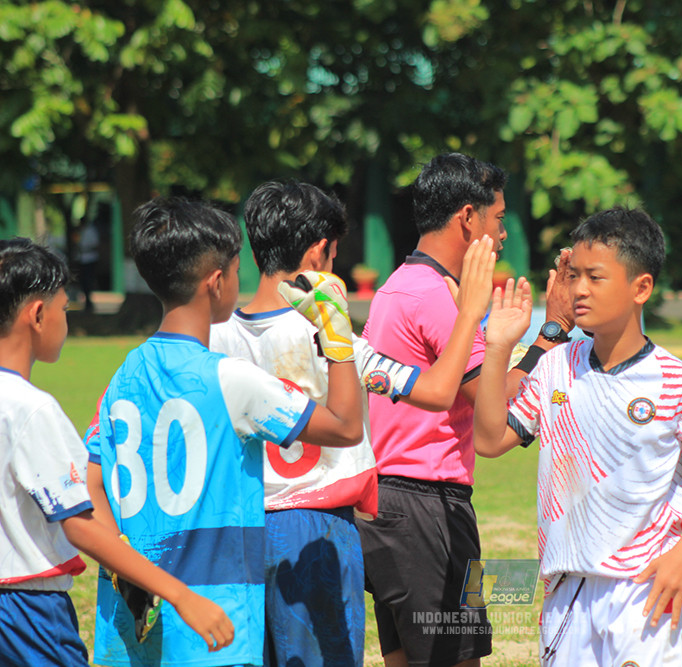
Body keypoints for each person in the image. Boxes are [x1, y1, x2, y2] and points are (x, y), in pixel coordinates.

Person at [209, 180, 498, 667]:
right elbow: (437, 392)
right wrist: (469, 313)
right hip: (317, 530)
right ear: (321, 250)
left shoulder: (215, 339)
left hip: (236, 533)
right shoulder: (335, 334)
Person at [84, 197, 364, 667]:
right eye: (236, 270)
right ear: (217, 282)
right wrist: (336, 340)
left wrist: (129, 572)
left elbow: (91, 487)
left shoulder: (123, 377)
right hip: (216, 624)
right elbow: (344, 425)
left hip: (138, 627)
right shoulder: (232, 379)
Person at [473, 207, 682, 666]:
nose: (579, 290)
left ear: (642, 288)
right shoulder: (555, 366)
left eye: (595, 277)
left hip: (644, 589)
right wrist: (497, 347)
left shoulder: (681, 384)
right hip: (566, 590)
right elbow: (491, 441)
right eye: (573, 277)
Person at [359, 152, 575, 667]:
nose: (502, 234)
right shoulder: (437, 296)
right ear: (467, 218)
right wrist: (554, 332)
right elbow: (495, 406)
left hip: (389, 503)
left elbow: (484, 386)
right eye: (498, 218)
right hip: (427, 508)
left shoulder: (403, 285)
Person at [0, 238, 233, 666]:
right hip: (24, 611)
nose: (64, 321)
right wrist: (179, 594)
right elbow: (81, 526)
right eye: (64, 309)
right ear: (37, 314)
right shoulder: (30, 409)